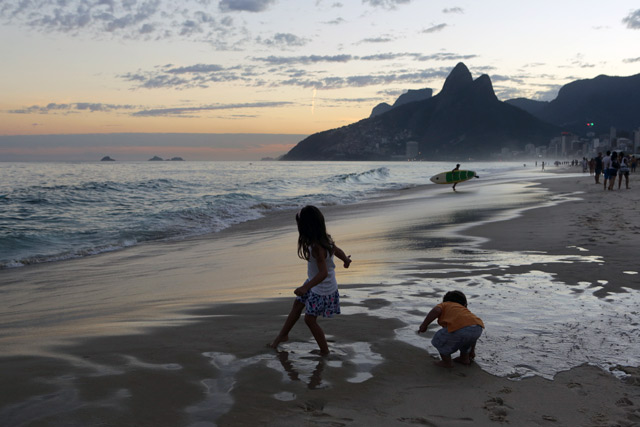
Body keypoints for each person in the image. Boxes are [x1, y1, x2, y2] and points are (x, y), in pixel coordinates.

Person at [269, 205, 351, 355]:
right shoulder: (326, 239)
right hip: (316, 283)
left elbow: (323, 273)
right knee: (298, 304)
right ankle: (283, 335)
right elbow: (337, 251)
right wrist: (346, 260)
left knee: (309, 320)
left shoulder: (316, 247)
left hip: (321, 289)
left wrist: (305, 288)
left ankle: (325, 351)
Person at [418, 290, 484, 368]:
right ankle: (464, 358)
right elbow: (472, 338)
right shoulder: (465, 311)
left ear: (445, 301)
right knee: (467, 341)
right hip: (478, 326)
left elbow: (436, 310)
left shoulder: (444, 305)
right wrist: (472, 351)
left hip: (461, 329)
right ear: (465, 304)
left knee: (439, 338)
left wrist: (424, 325)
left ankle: (446, 362)